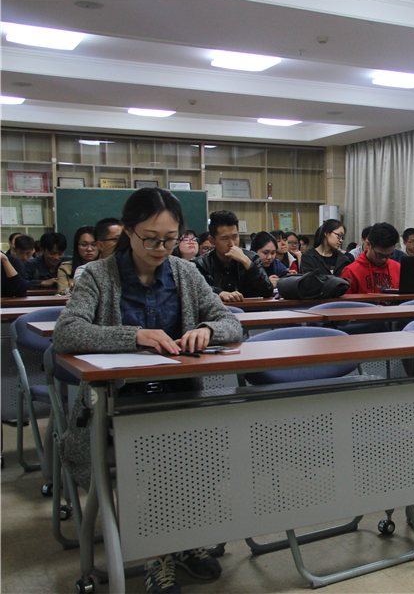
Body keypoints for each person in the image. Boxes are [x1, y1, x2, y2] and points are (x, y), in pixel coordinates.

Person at [53, 187, 242, 594]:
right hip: (119, 406)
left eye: (169, 240)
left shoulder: (184, 273)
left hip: (180, 398)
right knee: (159, 455)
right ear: (128, 231)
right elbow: (66, 333)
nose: (160, 249)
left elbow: (231, 323)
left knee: (209, 449)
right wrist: (134, 335)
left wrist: (207, 330)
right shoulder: (98, 275)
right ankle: (159, 555)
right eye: (150, 239)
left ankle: (184, 541)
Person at [193, 210, 274, 302]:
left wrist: (247, 262)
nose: (232, 244)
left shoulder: (251, 258)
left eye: (235, 237)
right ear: (212, 240)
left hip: (248, 309)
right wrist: (219, 293)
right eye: (225, 238)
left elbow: (267, 291)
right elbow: (194, 289)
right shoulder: (200, 264)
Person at [341, 222, 401, 293]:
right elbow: (345, 300)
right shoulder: (351, 272)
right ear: (368, 244)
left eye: (389, 255)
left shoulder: (398, 268)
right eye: (380, 255)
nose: (384, 259)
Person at [57, 226, 97, 294]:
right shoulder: (65, 268)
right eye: (84, 245)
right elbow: (62, 292)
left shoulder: (106, 267)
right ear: (77, 247)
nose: (89, 249)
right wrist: (71, 290)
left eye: (94, 244)